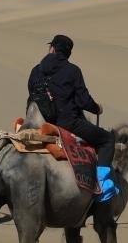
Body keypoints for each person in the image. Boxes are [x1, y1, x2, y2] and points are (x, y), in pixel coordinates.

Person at [27, 34, 118, 202]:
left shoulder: (36, 70)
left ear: (52, 49)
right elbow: (83, 101)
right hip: (67, 123)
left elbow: (32, 93)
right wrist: (96, 108)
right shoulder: (73, 71)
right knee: (107, 140)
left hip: (39, 122)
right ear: (67, 53)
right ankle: (102, 187)